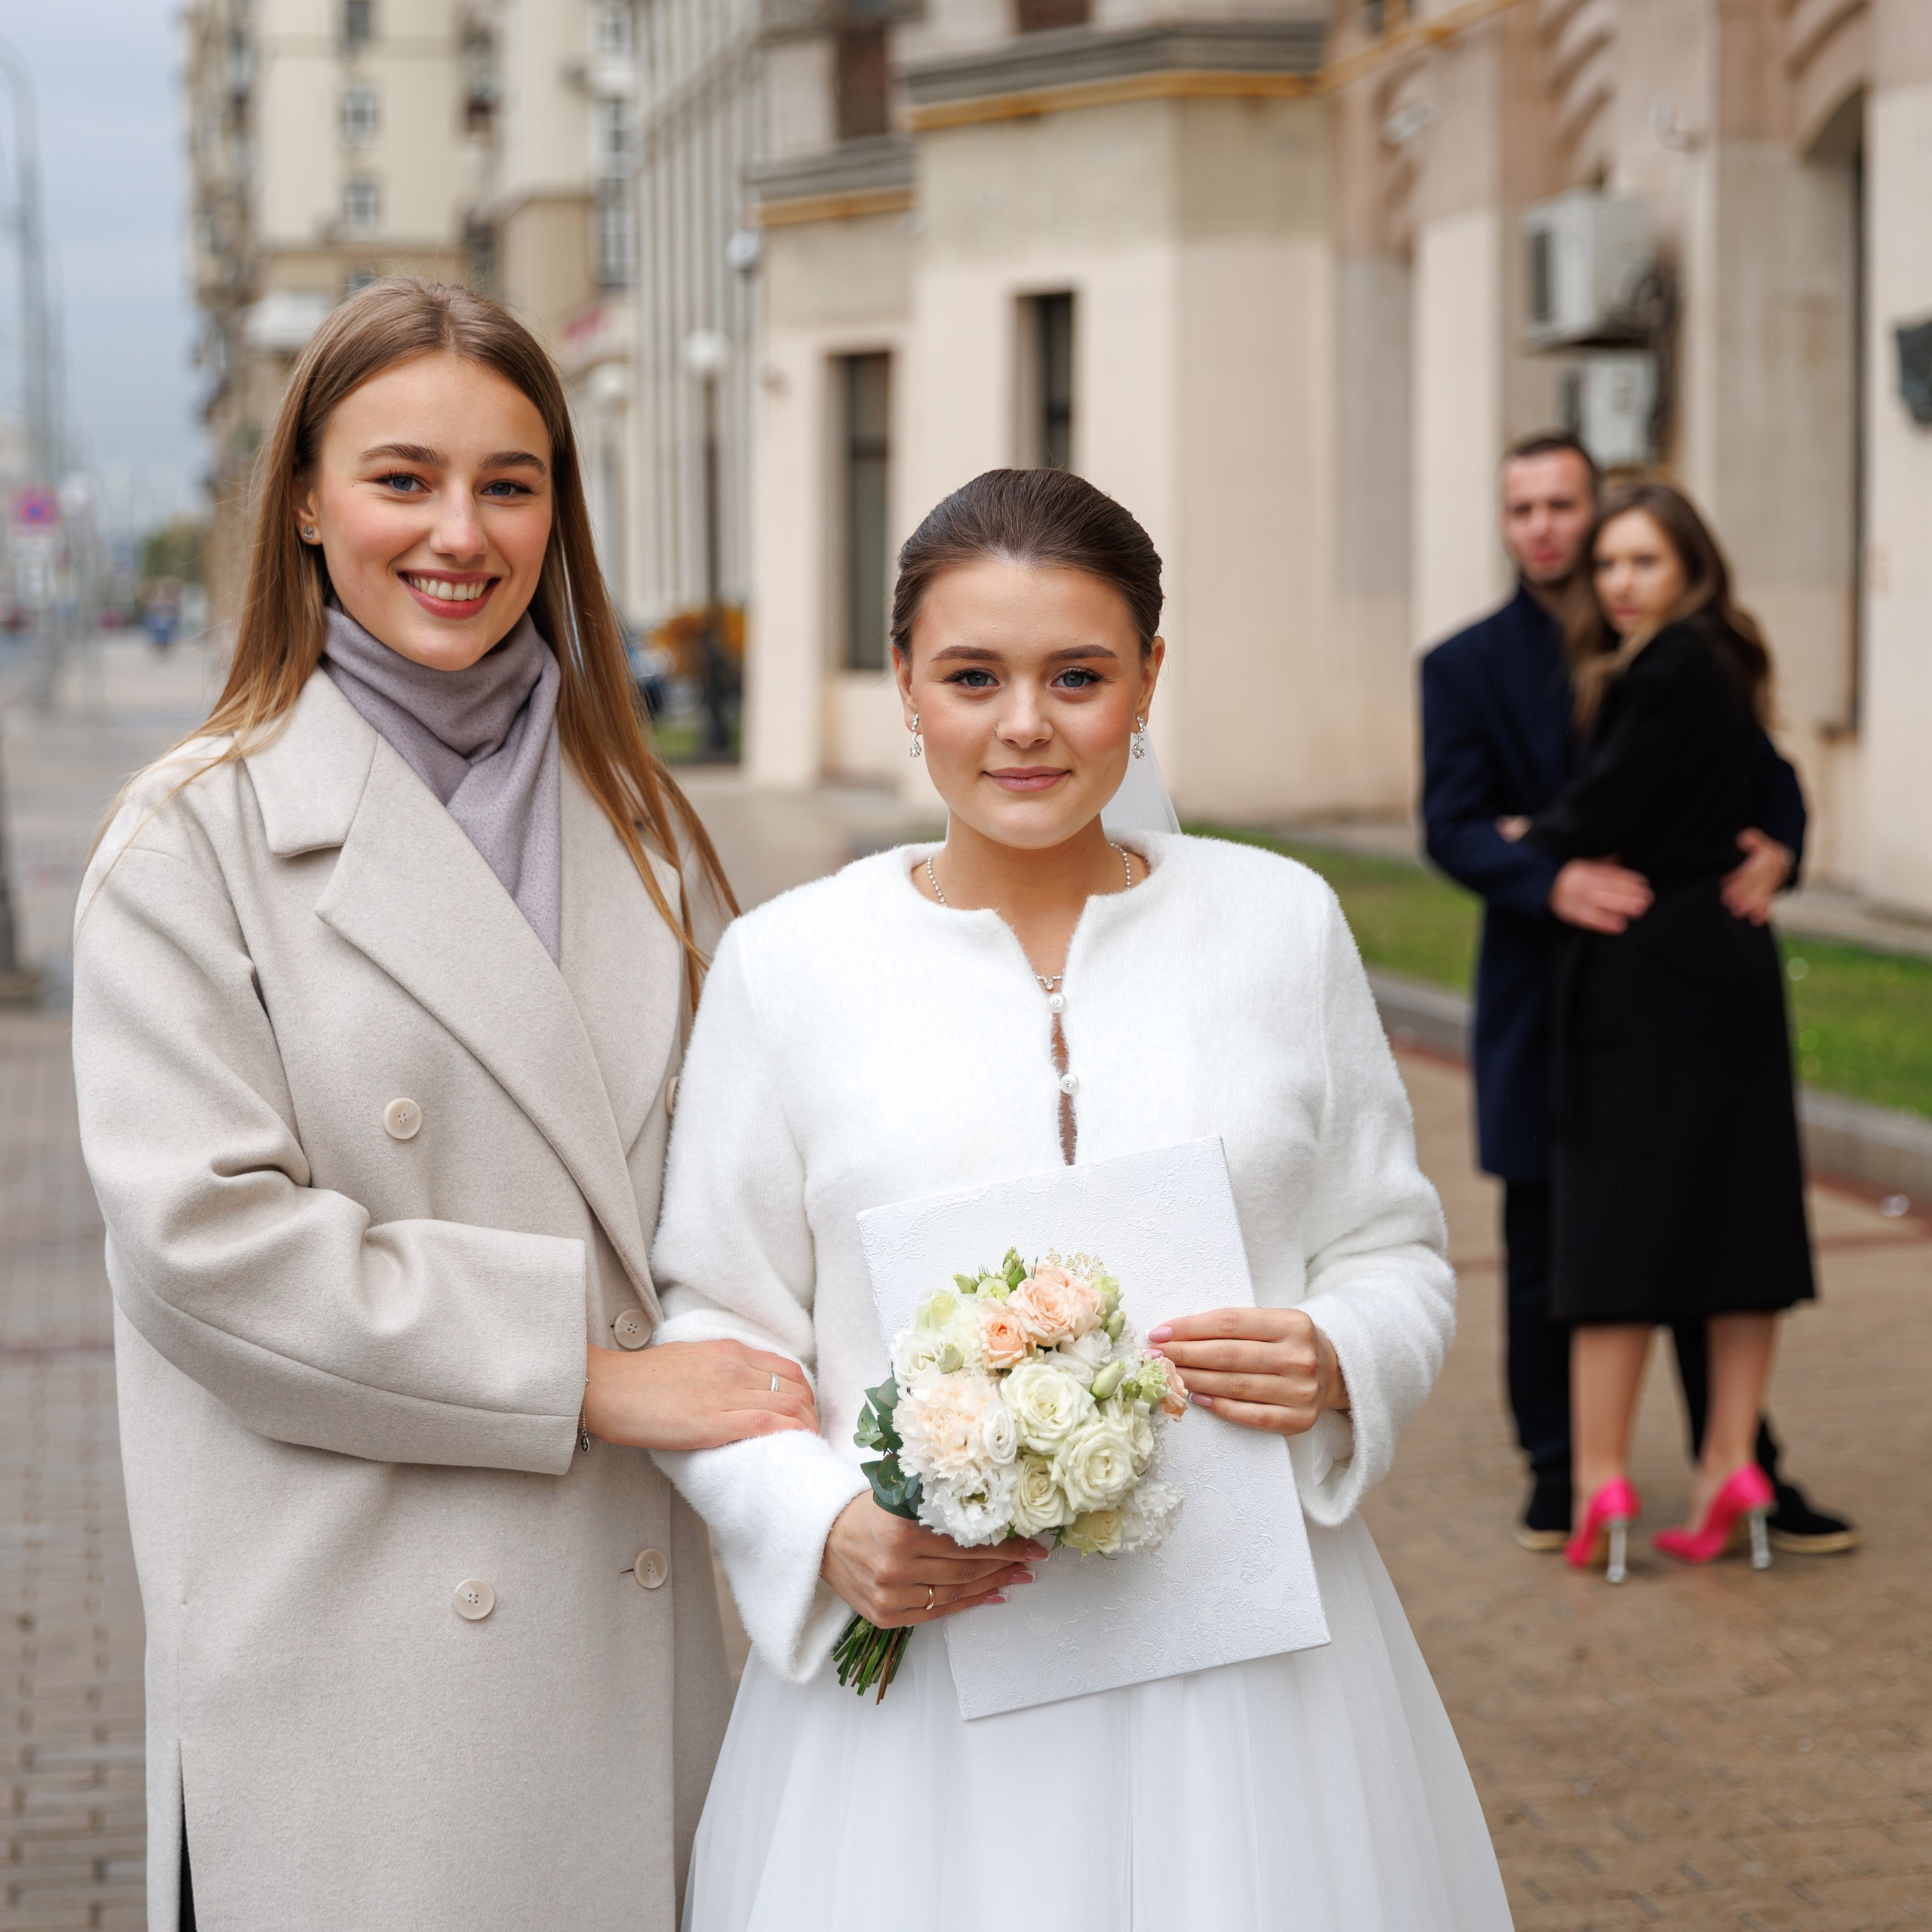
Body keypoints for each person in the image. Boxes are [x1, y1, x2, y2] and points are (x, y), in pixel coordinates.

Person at [649, 469, 1512, 1930]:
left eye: (1076, 675)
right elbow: (716, 1317)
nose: (1024, 723)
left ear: (1146, 680)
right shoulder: (787, 967)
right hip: (924, 1692)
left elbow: (1391, 1244)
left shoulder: (1277, 922)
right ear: (904, 684)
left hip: (1249, 1683)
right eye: (971, 676)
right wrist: (822, 1523)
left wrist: (1339, 1354)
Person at [69, 278, 817, 1932]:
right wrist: (592, 1376)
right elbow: (211, 1252)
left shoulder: (649, 830)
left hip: (625, 1655)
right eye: (402, 478)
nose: (460, 533)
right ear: (304, 503)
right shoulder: (192, 842)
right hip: (364, 1690)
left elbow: (763, 1190)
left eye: (510, 482)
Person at [1420, 434, 1855, 1558]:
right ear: (1506, 522)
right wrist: (1550, 876)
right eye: (1523, 508)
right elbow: (1452, 826)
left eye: (1564, 504)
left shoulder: (1665, 647)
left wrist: (1781, 847)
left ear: (1596, 509)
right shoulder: (1463, 665)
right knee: (1548, 1238)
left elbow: (1766, 773)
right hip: (1543, 985)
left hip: (1666, 987)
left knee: (1704, 1221)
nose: (1545, 527)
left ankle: (1746, 1463)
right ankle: (1558, 1471)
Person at [1509, 481, 1817, 1574]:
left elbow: (1615, 801)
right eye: (1609, 565)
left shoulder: (1671, 664)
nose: (1620, 583)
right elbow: (1778, 782)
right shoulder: (1723, 655)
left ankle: (1601, 1480)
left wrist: (1537, 834)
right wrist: (1781, 840)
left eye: (1644, 561)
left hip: (1649, 972)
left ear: (1690, 564)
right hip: (1726, 966)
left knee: (1613, 1235)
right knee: (1738, 1222)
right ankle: (1731, 1461)